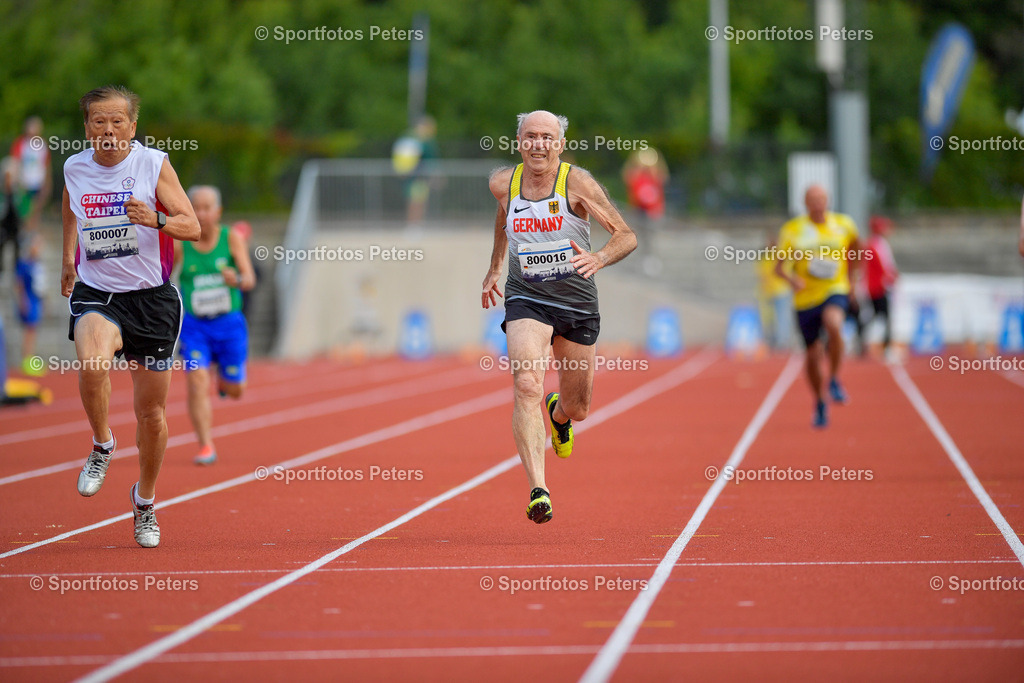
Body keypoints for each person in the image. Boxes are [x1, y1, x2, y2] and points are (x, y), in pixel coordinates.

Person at [482, 110, 637, 524]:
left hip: (576, 302)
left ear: (560, 144)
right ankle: (539, 489)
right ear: (518, 142)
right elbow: (503, 216)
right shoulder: (503, 183)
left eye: (547, 137)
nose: (538, 144)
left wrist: (600, 257)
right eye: (530, 137)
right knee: (527, 382)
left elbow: (626, 234)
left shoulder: (577, 183)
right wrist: (496, 266)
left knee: (579, 406)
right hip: (527, 296)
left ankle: (560, 416)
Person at [62, 85, 199, 548]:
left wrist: (155, 221)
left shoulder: (152, 164)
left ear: (132, 127)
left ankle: (144, 500)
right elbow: (69, 207)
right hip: (98, 292)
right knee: (93, 362)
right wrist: (67, 258)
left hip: (152, 300)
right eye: (98, 121)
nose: (108, 130)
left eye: (117, 121)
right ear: (87, 128)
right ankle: (102, 444)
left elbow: (193, 226)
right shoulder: (74, 167)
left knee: (152, 414)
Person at [174, 185, 255, 466]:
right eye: (196, 207)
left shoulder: (230, 238)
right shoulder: (180, 243)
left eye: (207, 207)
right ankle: (206, 444)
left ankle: (225, 379)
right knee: (197, 381)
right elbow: (161, 275)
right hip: (196, 327)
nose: (201, 213)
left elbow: (249, 279)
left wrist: (238, 279)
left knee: (236, 391)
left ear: (218, 212)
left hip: (229, 325)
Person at [774, 184, 860, 428]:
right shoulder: (793, 230)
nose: (817, 202)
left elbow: (857, 250)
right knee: (812, 356)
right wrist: (792, 279)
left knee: (834, 323)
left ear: (828, 200)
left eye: (821, 198)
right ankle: (820, 400)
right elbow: (779, 267)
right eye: (812, 198)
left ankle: (833, 378)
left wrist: (853, 282)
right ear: (805, 202)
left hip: (835, 289)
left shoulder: (844, 224)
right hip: (805, 299)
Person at [863, 215, 899, 359]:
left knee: (876, 315)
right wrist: (891, 278)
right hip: (879, 287)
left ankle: (862, 340)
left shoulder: (874, 243)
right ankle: (887, 347)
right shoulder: (877, 244)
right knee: (885, 316)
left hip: (875, 286)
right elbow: (884, 266)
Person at [10, 116, 51, 233]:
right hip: (24, 184)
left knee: (35, 214)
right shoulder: (20, 144)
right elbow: (15, 163)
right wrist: (17, 182)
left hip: (38, 183)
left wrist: (47, 185)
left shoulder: (43, 145)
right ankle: (24, 237)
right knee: (24, 213)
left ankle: (31, 240)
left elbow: (47, 166)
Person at [15, 231, 46, 376]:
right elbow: (19, 284)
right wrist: (23, 301)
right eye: (36, 245)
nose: (38, 248)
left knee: (32, 332)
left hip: (35, 300)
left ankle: (30, 360)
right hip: (29, 300)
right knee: (29, 332)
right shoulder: (24, 264)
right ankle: (27, 362)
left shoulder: (37, 264)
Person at [757, 234, 792, 350]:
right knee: (769, 318)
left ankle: (782, 342)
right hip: (768, 292)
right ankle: (771, 341)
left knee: (782, 318)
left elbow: (786, 272)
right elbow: (761, 274)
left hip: (781, 291)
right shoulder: (765, 257)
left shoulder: (781, 256)